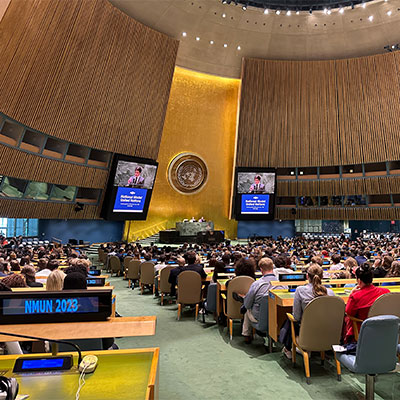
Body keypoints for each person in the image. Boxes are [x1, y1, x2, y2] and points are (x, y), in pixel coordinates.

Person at [281, 264, 335, 358]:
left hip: (306, 333)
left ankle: (288, 348)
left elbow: (296, 317)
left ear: (307, 276)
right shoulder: (331, 292)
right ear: (322, 277)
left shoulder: (300, 290)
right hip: (326, 333)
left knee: (289, 320)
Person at [344, 263, 390, 343]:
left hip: (363, 331)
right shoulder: (386, 292)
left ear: (358, 280)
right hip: (383, 329)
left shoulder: (355, 296)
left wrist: (352, 293)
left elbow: (348, 313)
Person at [240, 258, 278, 343]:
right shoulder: (282, 284)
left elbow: (247, 304)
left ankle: (246, 335)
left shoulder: (256, 284)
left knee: (247, 308)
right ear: (273, 267)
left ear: (261, 269)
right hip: (276, 317)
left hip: (259, 318)